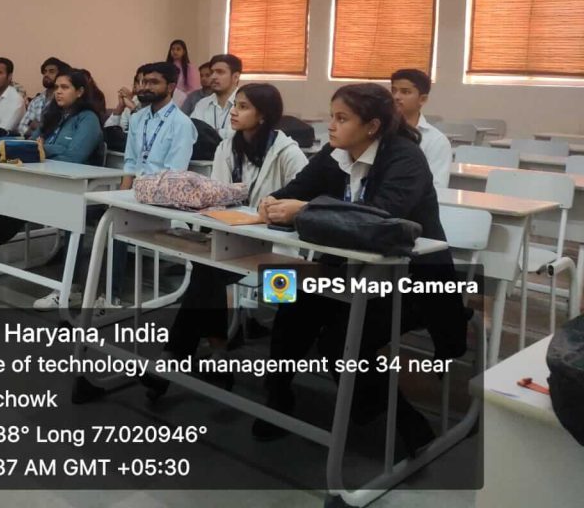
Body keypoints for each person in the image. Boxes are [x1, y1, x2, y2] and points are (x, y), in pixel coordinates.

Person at [253, 83, 467, 455]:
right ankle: (278, 396)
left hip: (411, 279)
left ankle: (407, 426)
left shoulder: (405, 158)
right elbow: (297, 188)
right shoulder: (334, 152)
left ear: (372, 126)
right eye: (332, 117)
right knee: (290, 301)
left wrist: (305, 210)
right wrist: (273, 200)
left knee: (339, 341)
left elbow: (381, 218)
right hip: (347, 270)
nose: (331, 126)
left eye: (342, 118)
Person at [143, 83, 307, 399]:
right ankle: (211, 353)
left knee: (207, 274)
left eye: (243, 107)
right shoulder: (227, 147)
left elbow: (303, 201)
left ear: (263, 115)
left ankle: (179, 356)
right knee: (207, 267)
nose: (234, 112)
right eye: (236, 105)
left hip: (277, 250)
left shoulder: (287, 152)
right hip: (235, 238)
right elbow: (217, 196)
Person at [0, 70, 103, 294]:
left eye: (65, 87)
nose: (58, 92)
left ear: (80, 91)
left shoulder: (88, 119)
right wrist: (47, 148)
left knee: (15, 208)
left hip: (69, 189)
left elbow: (75, 156)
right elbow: (30, 145)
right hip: (37, 179)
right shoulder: (52, 115)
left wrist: (45, 148)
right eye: (57, 87)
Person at [103, 62, 197, 306]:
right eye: (143, 81)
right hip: (136, 194)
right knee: (109, 217)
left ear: (171, 86)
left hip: (163, 199)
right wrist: (120, 198)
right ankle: (99, 292)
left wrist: (136, 198)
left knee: (116, 223)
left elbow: (174, 175)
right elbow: (130, 163)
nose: (145, 87)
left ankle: (110, 296)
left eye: (153, 82)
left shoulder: (181, 123)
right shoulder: (138, 118)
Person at [390, 68, 451, 193]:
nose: (396, 97)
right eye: (393, 91)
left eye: (405, 92)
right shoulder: (379, 131)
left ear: (422, 99)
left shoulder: (436, 140)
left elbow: (437, 187)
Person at [190, 54, 242, 139]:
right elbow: (193, 132)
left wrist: (211, 133)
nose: (213, 77)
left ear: (235, 77)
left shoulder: (247, 104)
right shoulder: (202, 104)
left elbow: (240, 136)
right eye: (212, 72)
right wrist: (223, 133)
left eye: (220, 72)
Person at [18, 57, 70, 137]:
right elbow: (22, 127)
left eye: (51, 71)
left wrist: (37, 126)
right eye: (45, 72)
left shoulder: (63, 100)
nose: (46, 75)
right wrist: (39, 132)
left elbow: (59, 131)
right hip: (31, 142)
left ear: (61, 75)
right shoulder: (36, 100)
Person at [104, 66, 145, 132]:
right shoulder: (134, 101)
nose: (141, 87)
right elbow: (108, 130)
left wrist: (133, 109)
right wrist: (120, 106)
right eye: (139, 83)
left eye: (145, 82)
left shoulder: (157, 108)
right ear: (134, 85)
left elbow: (143, 134)